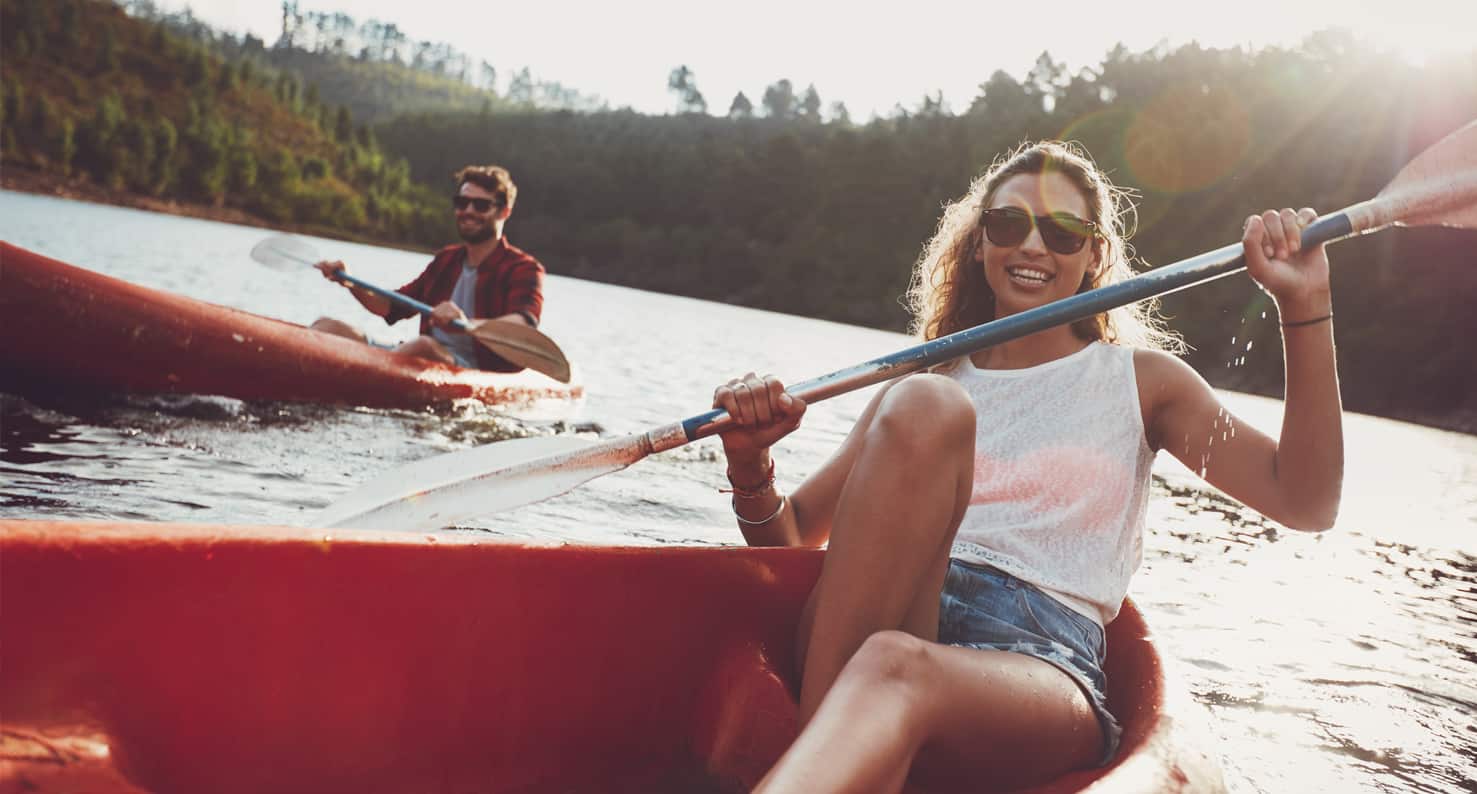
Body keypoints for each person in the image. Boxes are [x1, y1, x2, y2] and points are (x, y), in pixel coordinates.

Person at [710, 140, 1343, 793]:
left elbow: (1304, 501)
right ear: (980, 243)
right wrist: (749, 459)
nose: (1033, 247)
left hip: (1039, 661)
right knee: (927, 405)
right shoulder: (924, 382)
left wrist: (1302, 306)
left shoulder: (1143, 384)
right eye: (1009, 225)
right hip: (883, 626)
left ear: (1095, 254)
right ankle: (835, 752)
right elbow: (784, 543)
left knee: (894, 664)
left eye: (1063, 232)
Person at [310, 165, 545, 371]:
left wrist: (466, 325)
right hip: (415, 354)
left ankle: (355, 378)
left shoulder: (523, 268)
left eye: (481, 205)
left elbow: (523, 323)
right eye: (462, 203)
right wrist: (349, 281)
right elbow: (391, 307)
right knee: (327, 326)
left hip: (472, 367)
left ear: (504, 211)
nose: (469, 211)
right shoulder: (447, 260)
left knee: (423, 346)